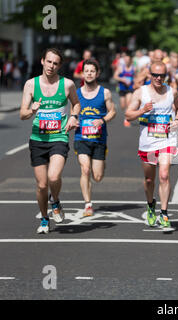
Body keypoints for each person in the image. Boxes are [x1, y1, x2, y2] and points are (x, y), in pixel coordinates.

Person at [20, 48, 81, 234]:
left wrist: (73, 116)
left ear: (59, 65)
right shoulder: (31, 85)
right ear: (42, 61)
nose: (51, 66)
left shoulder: (67, 84)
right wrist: (32, 110)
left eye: (55, 63)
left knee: (53, 177)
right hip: (38, 139)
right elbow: (22, 114)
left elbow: (76, 103)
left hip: (59, 137)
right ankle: (45, 219)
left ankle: (55, 200)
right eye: (49, 62)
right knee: (41, 185)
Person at [126, 61, 178, 229]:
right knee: (149, 179)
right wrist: (142, 110)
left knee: (164, 175)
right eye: (155, 75)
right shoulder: (140, 93)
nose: (159, 78)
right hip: (148, 142)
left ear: (166, 76)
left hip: (167, 140)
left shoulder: (172, 92)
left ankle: (164, 213)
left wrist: (177, 120)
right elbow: (128, 115)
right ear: (149, 75)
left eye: (162, 75)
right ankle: (151, 205)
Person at [74, 58, 116, 217]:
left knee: (97, 176)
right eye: (86, 71)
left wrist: (103, 120)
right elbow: (72, 112)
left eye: (92, 71)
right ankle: (88, 204)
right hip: (81, 138)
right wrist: (74, 120)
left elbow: (113, 111)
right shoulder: (76, 93)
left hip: (99, 139)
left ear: (97, 73)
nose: (89, 74)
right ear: (82, 73)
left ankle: (100, 166)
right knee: (85, 169)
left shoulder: (104, 92)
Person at [113, 51, 135, 127]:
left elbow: (137, 77)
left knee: (128, 103)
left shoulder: (133, 68)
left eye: (128, 60)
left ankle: (126, 120)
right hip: (122, 88)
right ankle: (126, 113)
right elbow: (115, 76)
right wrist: (123, 79)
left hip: (130, 88)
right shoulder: (120, 68)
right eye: (125, 60)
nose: (127, 62)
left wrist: (134, 81)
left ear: (130, 61)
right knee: (123, 106)